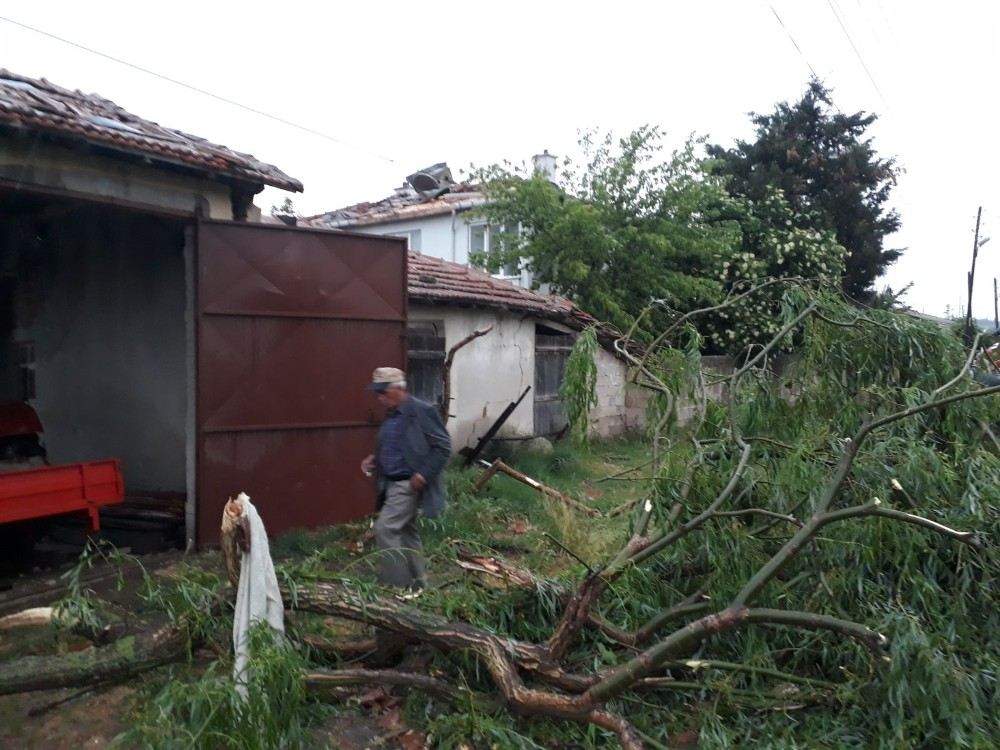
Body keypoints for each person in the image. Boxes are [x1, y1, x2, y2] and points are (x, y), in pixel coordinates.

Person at [361, 367, 451, 591]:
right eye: (377, 392)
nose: (379, 397)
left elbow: (443, 446)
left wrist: (423, 474)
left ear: (399, 389)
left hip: (407, 483)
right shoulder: (392, 414)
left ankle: (396, 587)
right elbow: (396, 444)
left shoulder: (421, 411)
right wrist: (375, 458)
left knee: (385, 529)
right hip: (390, 483)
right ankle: (419, 585)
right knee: (407, 531)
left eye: (383, 391)